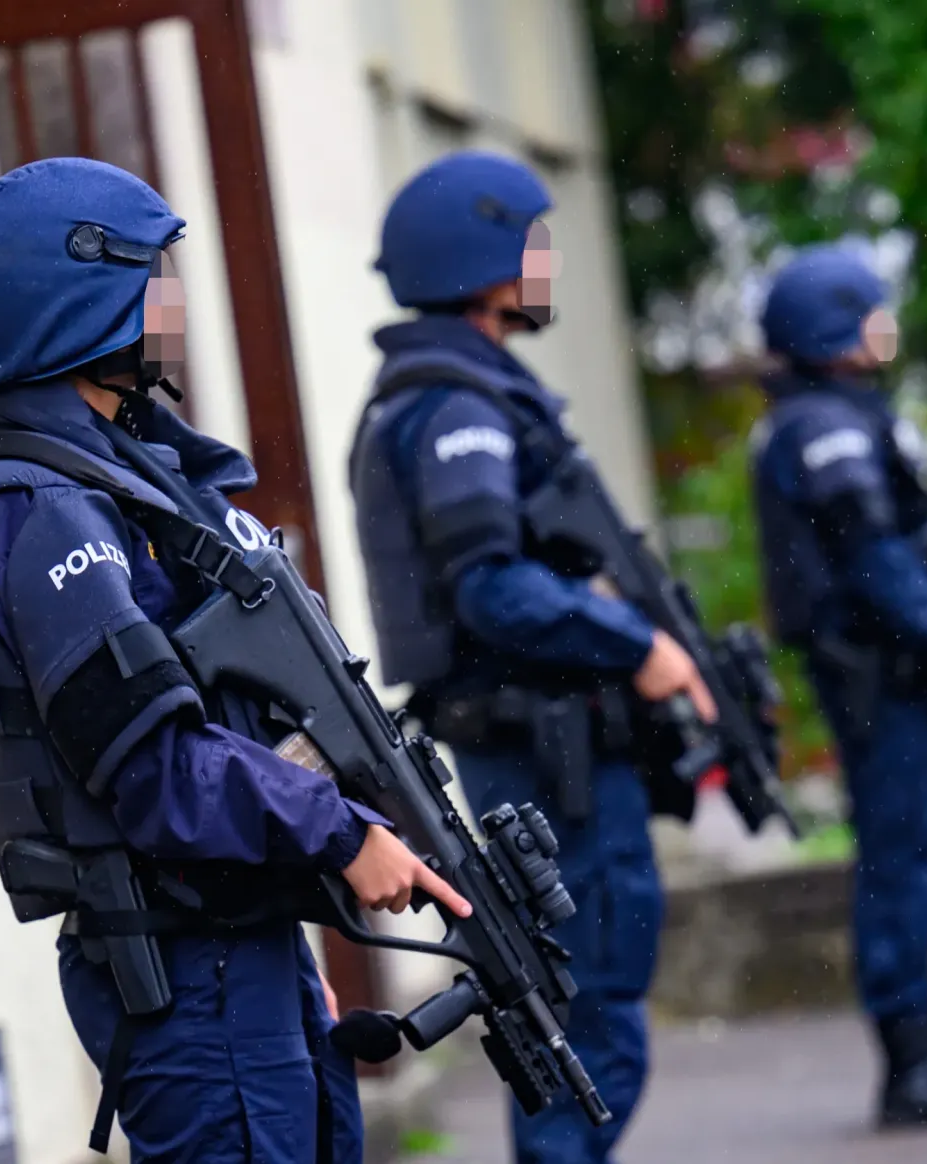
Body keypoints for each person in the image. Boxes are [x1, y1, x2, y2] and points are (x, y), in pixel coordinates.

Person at [0, 157, 471, 1164]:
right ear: (70, 303)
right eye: (150, 277)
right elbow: (155, 769)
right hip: (187, 969)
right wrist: (340, 833)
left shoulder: (122, 479)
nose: (169, 303)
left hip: (235, 949)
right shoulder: (40, 511)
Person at [350, 150, 715, 1164]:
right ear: (481, 264)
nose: (545, 264)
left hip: (548, 744)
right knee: (586, 1014)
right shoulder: (457, 406)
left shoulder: (462, 393)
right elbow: (492, 588)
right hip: (546, 754)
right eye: (532, 245)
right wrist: (636, 644)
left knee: (584, 1008)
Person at [749, 241, 927, 1126]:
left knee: (911, 852)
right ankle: (915, 1066)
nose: (885, 322)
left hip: (894, 671)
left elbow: (891, 539)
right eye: (869, 307)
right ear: (833, 323)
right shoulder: (822, 426)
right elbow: (871, 558)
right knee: (899, 859)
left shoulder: (837, 415)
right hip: (879, 677)